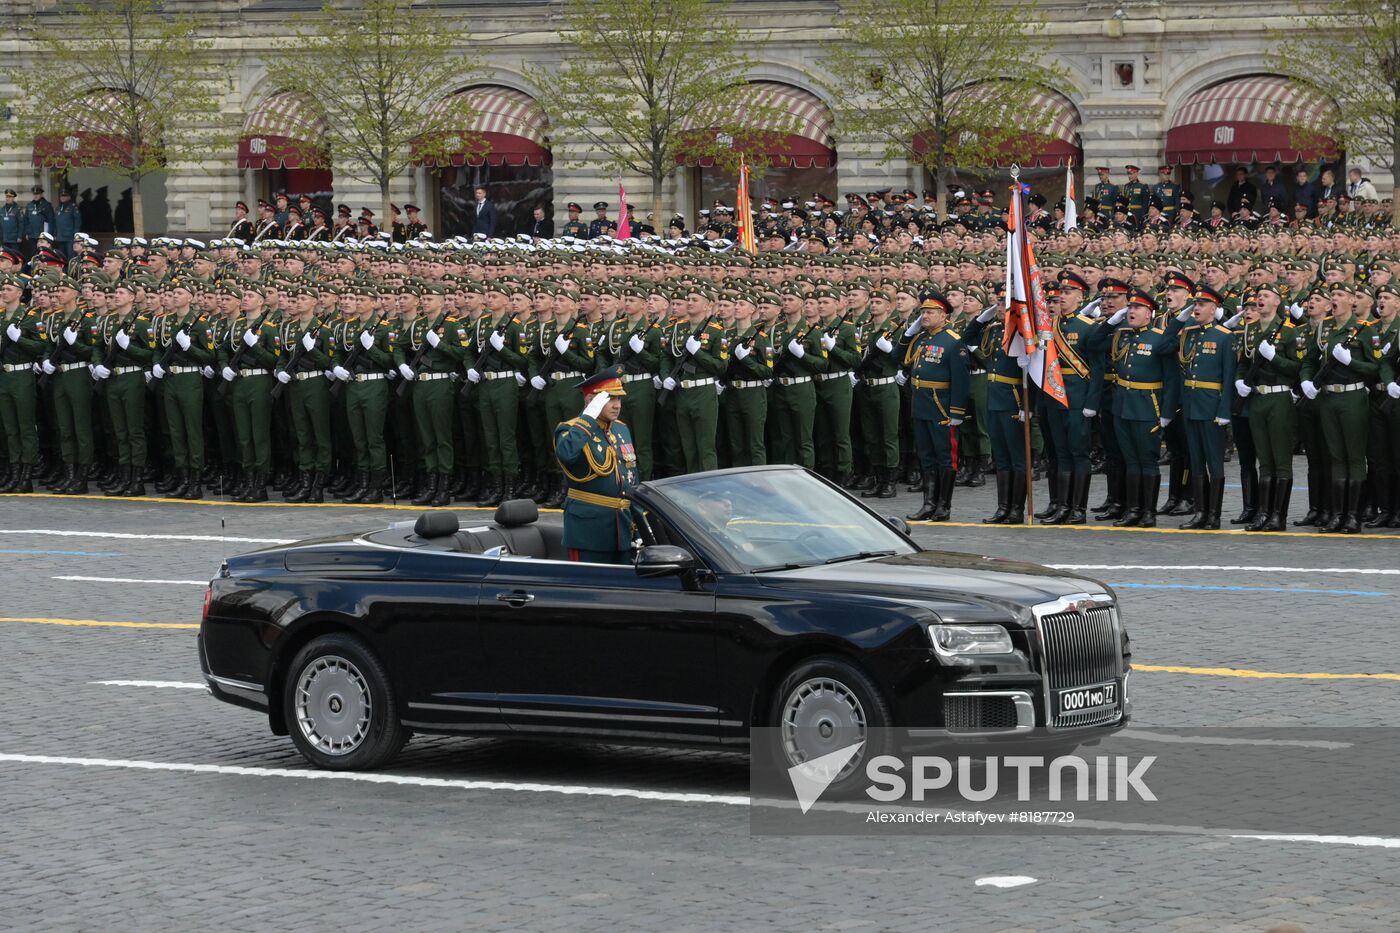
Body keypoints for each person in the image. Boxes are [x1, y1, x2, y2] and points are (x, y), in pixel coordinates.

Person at [554, 366, 640, 565]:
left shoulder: (621, 429)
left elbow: (631, 479)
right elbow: (566, 454)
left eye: (619, 398)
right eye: (610, 398)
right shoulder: (571, 429)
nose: (617, 405)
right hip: (589, 533)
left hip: (623, 530)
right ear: (591, 400)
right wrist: (588, 418)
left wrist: (641, 521)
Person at [900, 289, 970, 522]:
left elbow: (961, 380)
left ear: (943, 314)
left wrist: (957, 412)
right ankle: (928, 503)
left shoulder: (953, 342)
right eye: (923, 312)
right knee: (926, 456)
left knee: (945, 457)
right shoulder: (922, 338)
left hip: (942, 406)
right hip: (921, 405)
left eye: (930, 312)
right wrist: (909, 334)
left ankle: (943, 505)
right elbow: (898, 358)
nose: (925, 316)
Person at [1176, 285, 1235, 529]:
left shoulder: (1224, 336)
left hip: (1212, 408)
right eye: (1195, 304)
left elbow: (1229, 378)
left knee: (1214, 463)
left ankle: (1214, 514)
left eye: (1201, 305)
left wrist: (1224, 411)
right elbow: (1167, 345)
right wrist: (1179, 319)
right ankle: (1201, 512)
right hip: (1191, 406)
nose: (1196, 308)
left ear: (1214, 308)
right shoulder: (1189, 333)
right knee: (1196, 461)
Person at [53, 188, 82, 259]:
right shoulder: (58, 208)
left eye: (64, 196)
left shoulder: (73, 207)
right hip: (60, 237)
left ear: (69, 197)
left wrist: (75, 234)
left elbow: (77, 221)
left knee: (70, 256)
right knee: (61, 256)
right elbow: (56, 222)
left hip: (70, 237)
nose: (62, 198)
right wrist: (55, 234)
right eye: (61, 196)